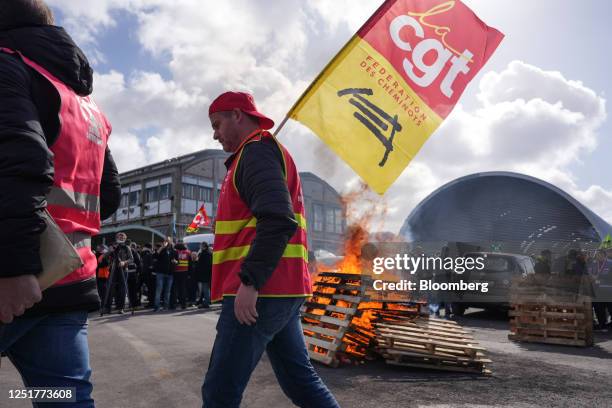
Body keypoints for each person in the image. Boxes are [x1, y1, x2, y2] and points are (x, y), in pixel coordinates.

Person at [0, 1, 121, 405]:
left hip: (12, 276)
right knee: (63, 397)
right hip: (66, 278)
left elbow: (19, 163)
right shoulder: (88, 107)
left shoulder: (7, 68)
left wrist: (15, 266)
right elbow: (109, 197)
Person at [201, 91, 339, 408]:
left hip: (261, 291)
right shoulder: (261, 153)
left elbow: (277, 220)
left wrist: (250, 282)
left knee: (219, 392)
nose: (214, 133)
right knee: (300, 382)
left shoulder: (256, 154)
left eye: (217, 123)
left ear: (238, 115)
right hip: (282, 289)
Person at [103, 232, 135, 315]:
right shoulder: (112, 246)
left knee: (123, 289)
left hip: (123, 269)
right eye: (119, 237)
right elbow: (105, 257)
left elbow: (131, 259)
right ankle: (107, 308)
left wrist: (124, 262)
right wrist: (109, 251)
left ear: (124, 239)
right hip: (113, 269)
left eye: (122, 238)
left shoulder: (126, 247)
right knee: (110, 288)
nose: (121, 239)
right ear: (116, 238)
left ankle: (121, 308)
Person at [154, 237, 177, 311]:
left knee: (168, 291)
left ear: (171, 242)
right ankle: (157, 307)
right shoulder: (161, 249)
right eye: (165, 240)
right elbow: (154, 256)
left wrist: (175, 262)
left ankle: (165, 306)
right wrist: (161, 247)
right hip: (160, 273)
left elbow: (177, 261)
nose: (166, 242)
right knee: (159, 290)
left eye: (168, 240)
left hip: (170, 273)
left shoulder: (174, 251)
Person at [172, 241, 191, 309]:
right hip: (185, 272)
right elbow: (190, 264)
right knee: (183, 289)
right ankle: (183, 304)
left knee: (175, 289)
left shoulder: (175, 252)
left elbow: (174, 261)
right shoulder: (188, 252)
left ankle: (174, 304)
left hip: (176, 272)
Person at [196, 242, 212, 308]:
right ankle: (207, 301)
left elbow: (200, 264)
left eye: (201, 245)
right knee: (207, 288)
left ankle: (206, 303)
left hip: (204, 274)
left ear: (204, 246)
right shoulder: (210, 254)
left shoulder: (203, 254)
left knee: (205, 289)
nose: (200, 246)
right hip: (208, 274)